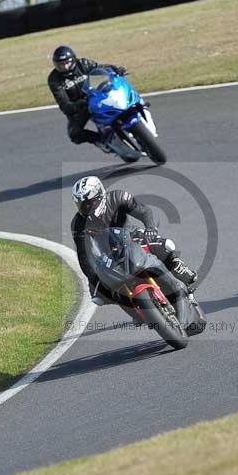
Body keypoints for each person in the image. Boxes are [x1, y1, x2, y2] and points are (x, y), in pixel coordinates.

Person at [71, 176, 198, 306]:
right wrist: (92, 276)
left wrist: (151, 228)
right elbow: (83, 255)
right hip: (109, 255)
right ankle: (134, 307)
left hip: (133, 237)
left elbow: (144, 211)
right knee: (98, 294)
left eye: (89, 203)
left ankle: (183, 275)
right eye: (81, 205)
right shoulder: (78, 224)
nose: (86, 208)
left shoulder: (117, 198)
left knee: (164, 245)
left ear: (99, 196)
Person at [48, 45, 139, 162]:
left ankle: (137, 108)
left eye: (67, 63)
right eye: (60, 65)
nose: (65, 67)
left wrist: (116, 69)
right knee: (74, 134)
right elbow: (63, 102)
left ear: (73, 60)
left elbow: (101, 68)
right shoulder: (54, 79)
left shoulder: (83, 63)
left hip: (96, 94)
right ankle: (100, 140)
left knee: (121, 96)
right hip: (79, 106)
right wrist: (76, 105)